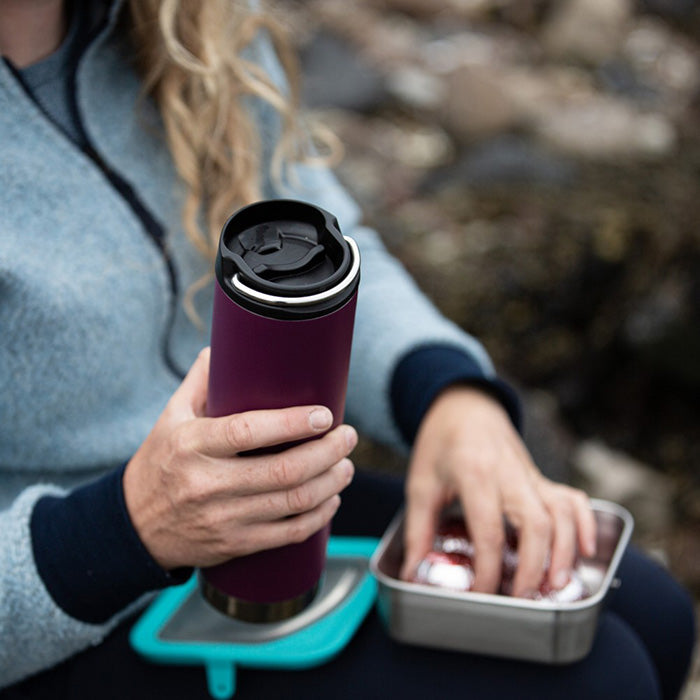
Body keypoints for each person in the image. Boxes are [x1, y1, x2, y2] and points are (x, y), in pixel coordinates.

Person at [0, 0, 695, 698]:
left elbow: (321, 248)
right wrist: (124, 528)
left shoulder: (185, 21)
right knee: (601, 679)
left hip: (269, 509)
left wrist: (447, 398)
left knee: (655, 613)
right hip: (69, 585)